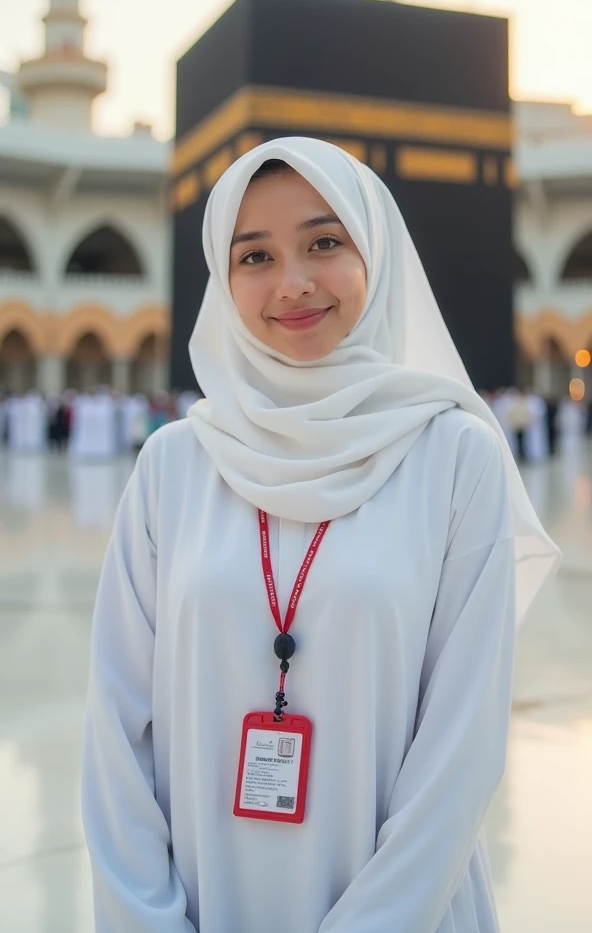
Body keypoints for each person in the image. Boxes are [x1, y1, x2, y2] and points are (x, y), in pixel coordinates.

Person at [81, 138, 560, 933]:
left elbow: (460, 751)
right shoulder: (174, 468)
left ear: (375, 252)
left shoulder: (453, 457)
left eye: (324, 243)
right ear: (221, 278)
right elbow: (115, 737)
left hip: (405, 908)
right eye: (255, 255)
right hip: (205, 898)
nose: (293, 281)